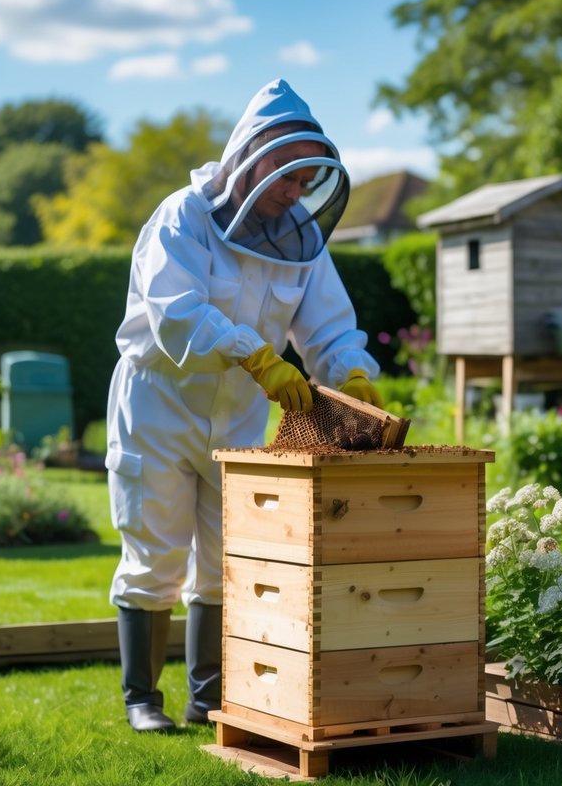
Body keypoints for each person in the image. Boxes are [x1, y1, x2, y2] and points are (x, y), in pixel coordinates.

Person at [106, 78, 383, 732]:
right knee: (155, 552)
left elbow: (328, 328)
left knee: (227, 555)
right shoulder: (183, 216)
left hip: (237, 411)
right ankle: (142, 700)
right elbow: (175, 314)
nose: (293, 191)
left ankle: (210, 697)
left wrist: (353, 375)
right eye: (286, 176)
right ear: (251, 153)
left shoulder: (298, 238)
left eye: (305, 180)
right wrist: (256, 354)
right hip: (158, 404)